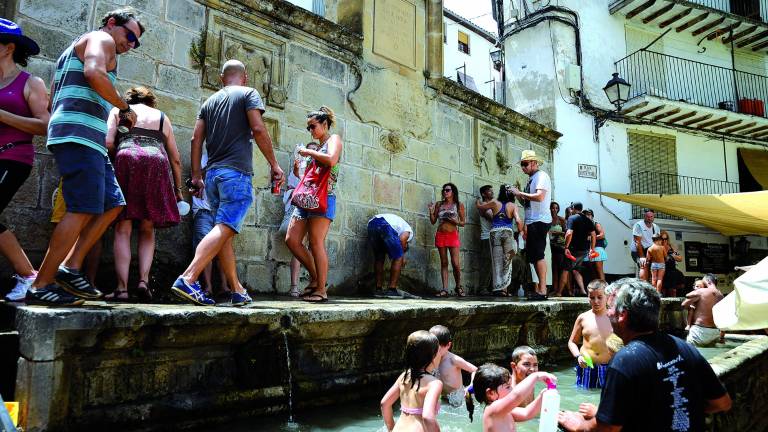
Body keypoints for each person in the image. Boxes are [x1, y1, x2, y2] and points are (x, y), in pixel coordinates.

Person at [26, 9, 144, 305]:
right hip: (79, 136)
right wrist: (125, 108)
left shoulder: (76, 50)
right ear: (112, 23)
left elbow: (55, 98)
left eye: (136, 43)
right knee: (81, 208)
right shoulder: (100, 38)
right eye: (129, 36)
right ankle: (41, 285)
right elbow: (94, 73)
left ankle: (70, 266)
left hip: (85, 138)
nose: (131, 44)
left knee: (113, 204)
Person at [173, 59, 283, 307]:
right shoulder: (248, 93)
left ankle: (236, 289)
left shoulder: (208, 103)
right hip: (235, 174)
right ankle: (188, 278)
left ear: (222, 78)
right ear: (245, 77)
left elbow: (195, 140)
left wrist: (197, 177)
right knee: (226, 228)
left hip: (211, 176)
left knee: (224, 231)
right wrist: (274, 165)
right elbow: (258, 128)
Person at [558, 278, 732, 432]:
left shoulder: (624, 361)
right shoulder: (684, 348)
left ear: (622, 315)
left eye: (610, 307)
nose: (607, 312)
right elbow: (722, 403)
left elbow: (608, 428)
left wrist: (580, 425)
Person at [106, 86, 182, 301]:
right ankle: (143, 282)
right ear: (151, 101)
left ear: (129, 99)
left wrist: (120, 154)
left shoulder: (119, 110)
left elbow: (109, 142)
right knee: (148, 227)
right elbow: (175, 158)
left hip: (127, 158)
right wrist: (177, 190)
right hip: (156, 162)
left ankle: (121, 289)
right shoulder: (161, 117)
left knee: (123, 227)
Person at [0, 19, 49, 301]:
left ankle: (29, 275)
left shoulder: (30, 82)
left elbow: (44, 125)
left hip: (14, 155)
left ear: (8, 47)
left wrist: (3, 115)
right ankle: (28, 275)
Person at [285, 106, 341, 303]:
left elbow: (332, 160)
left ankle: (320, 289)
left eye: (313, 126)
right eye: (308, 127)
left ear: (325, 124)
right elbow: (308, 177)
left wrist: (308, 151)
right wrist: (298, 167)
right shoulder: (316, 147)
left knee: (316, 243)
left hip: (324, 197)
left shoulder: (333, 140)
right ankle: (317, 279)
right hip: (307, 198)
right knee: (291, 239)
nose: (310, 130)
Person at [380, 330, 442, 432]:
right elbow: (428, 417)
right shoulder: (434, 384)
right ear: (433, 356)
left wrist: (391, 428)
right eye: (438, 350)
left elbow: (384, 403)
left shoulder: (404, 376)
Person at [510, 150, 551, 300]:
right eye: (522, 165)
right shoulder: (532, 179)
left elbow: (540, 197)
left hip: (540, 220)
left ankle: (542, 290)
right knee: (534, 256)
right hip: (533, 221)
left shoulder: (541, 176)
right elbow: (528, 203)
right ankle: (540, 288)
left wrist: (519, 192)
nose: (523, 167)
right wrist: (517, 195)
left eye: (525, 164)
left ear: (534, 163)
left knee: (538, 256)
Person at [279, 142, 318, 297]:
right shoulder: (301, 167)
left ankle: (314, 283)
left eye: (316, 150)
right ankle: (294, 285)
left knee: (312, 247)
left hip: (314, 212)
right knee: (298, 246)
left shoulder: (319, 169)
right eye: (311, 150)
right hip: (301, 210)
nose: (313, 152)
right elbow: (293, 188)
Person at [190, 151, 229, 300]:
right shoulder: (199, 158)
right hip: (203, 210)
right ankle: (208, 287)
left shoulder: (228, 158)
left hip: (222, 211)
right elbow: (197, 178)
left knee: (223, 249)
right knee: (204, 248)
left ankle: (224, 287)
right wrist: (213, 163)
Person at [471, 363, 556, 431]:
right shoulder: (492, 410)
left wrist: (542, 395)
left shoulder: (506, 411)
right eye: (508, 387)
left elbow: (527, 413)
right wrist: (535, 376)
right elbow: (516, 396)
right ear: (491, 393)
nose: (512, 389)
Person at [567, 279, 615, 389]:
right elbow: (572, 342)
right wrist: (578, 356)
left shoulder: (614, 318)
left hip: (608, 366)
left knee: (607, 397)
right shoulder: (583, 318)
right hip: (587, 366)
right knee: (584, 395)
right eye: (592, 297)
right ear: (588, 297)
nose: (596, 301)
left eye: (599, 297)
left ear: (607, 296)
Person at [476, 185, 523, 296]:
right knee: (507, 261)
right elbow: (518, 220)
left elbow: (480, 207)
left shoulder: (494, 203)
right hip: (507, 232)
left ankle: (498, 289)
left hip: (495, 232)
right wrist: (521, 232)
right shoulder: (513, 205)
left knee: (496, 262)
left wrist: (478, 202)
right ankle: (505, 289)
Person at [428, 182, 466, 297]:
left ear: (453, 192)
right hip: (440, 235)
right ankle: (444, 289)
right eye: (444, 190)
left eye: (448, 190)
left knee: (455, 264)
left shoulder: (459, 205)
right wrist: (431, 210)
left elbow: (463, 222)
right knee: (444, 262)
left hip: (452, 235)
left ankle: (458, 286)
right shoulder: (439, 204)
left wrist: (456, 222)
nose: (445, 192)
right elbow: (433, 221)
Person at [428, 325, 477, 408]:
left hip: (457, 398)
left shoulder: (453, 360)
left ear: (448, 345)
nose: (436, 352)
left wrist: (471, 385)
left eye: (439, 349)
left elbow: (476, 370)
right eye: (433, 348)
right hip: (443, 396)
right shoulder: (430, 359)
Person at [368, 213, 414, 299]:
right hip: (385, 225)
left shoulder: (398, 224)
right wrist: (402, 255)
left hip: (372, 224)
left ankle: (378, 290)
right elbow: (402, 239)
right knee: (398, 257)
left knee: (379, 257)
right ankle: (392, 290)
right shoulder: (409, 231)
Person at [563, 202, 596, 297]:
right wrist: (592, 249)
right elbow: (593, 234)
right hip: (584, 250)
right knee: (576, 270)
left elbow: (569, 233)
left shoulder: (572, 218)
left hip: (573, 250)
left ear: (573, 208)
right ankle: (583, 291)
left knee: (566, 270)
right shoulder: (588, 220)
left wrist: (566, 247)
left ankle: (559, 292)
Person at [683, 273, 725, 347]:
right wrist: (722, 336)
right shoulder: (721, 295)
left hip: (699, 331)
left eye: (703, 282)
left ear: (708, 281)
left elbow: (684, 305)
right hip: (715, 332)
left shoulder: (702, 291)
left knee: (691, 355)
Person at [629, 208, 659, 282]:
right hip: (638, 250)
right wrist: (642, 256)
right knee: (643, 265)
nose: (650, 218)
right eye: (648, 217)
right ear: (644, 216)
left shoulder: (656, 227)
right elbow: (637, 242)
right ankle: (643, 285)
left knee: (655, 267)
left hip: (650, 250)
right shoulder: (638, 225)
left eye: (651, 217)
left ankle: (651, 286)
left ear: (653, 217)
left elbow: (657, 242)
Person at [477, 185, 494, 294]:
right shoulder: (483, 205)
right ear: (483, 194)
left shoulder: (491, 205)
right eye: (489, 191)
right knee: (486, 263)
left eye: (491, 190)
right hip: (487, 237)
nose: (491, 192)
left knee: (493, 264)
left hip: (493, 237)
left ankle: (490, 287)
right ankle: (482, 288)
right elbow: (492, 217)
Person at [548, 201, 567, 297]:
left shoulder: (561, 220)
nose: (554, 209)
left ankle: (560, 290)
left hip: (559, 246)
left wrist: (557, 233)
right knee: (553, 269)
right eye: (552, 208)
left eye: (556, 208)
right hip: (549, 246)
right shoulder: (547, 219)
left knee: (559, 269)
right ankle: (554, 289)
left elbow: (567, 233)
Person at [582, 209, 607, 281]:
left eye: (589, 214)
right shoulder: (584, 226)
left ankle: (604, 288)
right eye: (586, 214)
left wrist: (593, 237)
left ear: (592, 216)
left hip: (597, 249)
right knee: (592, 271)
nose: (587, 216)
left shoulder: (596, 224)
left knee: (599, 270)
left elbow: (602, 235)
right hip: (588, 250)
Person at [659, 230, 684, 297]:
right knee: (663, 290)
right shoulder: (657, 247)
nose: (664, 240)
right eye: (662, 239)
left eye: (666, 238)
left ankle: (674, 304)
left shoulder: (671, 246)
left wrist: (672, 256)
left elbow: (680, 258)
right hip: (663, 270)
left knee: (674, 289)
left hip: (672, 270)